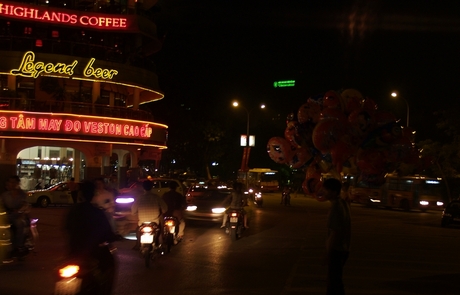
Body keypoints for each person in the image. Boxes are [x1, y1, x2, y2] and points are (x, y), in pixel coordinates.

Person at [64, 180, 117, 295]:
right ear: (93, 194)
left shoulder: (73, 211)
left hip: (74, 253)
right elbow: (108, 232)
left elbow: (66, 228)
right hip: (94, 253)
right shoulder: (97, 213)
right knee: (109, 266)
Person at [321, 178, 351, 295]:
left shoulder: (335, 207)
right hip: (344, 249)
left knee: (333, 284)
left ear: (333, 192)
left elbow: (334, 233)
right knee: (337, 283)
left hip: (336, 250)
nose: (323, 192)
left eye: (326, 190)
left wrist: (326, 253)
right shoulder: (343, 203)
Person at [131, 180, 168, 249]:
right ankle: (159, 245)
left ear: (143, 187)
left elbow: (133, 211)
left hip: (142, 223)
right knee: (159, 231)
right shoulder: (156, 197)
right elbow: (165, 208)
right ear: (152, 187)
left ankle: (138, 244)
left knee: (137, 231)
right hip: (154, 223)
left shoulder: (139, 198)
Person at [0, 175, 28, 257]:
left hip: (18, 216)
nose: (12, 184)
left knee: (20, 224)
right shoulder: (5, 195)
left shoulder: (22, 195)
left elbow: (26, 205)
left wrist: (20, 212)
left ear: (17, 183)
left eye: (14, 182)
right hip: (7, 215)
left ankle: (19, 246)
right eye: (10, 182)